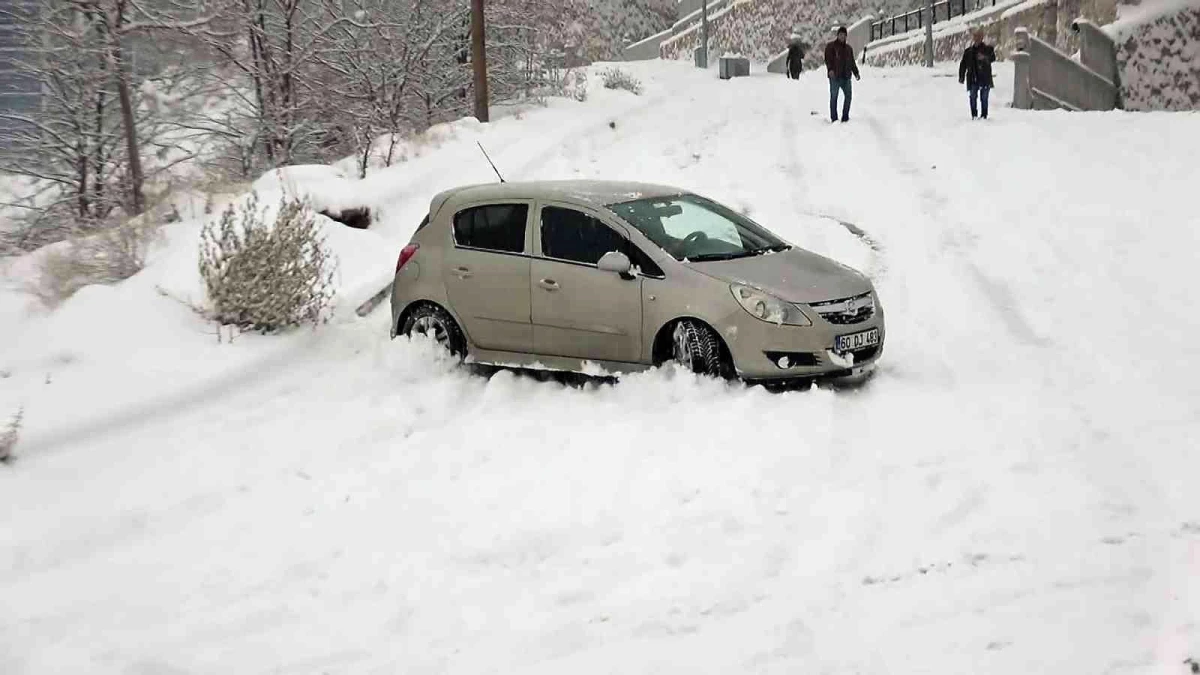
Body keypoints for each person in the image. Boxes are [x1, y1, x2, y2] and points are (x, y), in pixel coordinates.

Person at [824, 26, 861, 123]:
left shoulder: (849, 49)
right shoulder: (831, 46)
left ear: (846, 36)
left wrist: (856, 72)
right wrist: (830, 69)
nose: (842, 37)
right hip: (835, 76)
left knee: (848, 96)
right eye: (840, 35)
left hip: (846, 77)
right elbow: (828, 59)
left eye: (844, 35)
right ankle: (834, 118)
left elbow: (852, 62)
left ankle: (845, 117)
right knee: (834, 97)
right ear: (837, 35)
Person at [959, 29, 996, 119]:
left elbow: (993, 58)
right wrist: (961, 77)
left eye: (979, 36)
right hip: (973, 78)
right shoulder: (968, 51)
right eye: (975, 36)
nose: (977, 38)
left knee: (984, 98)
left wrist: (984, 58)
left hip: (985, 78)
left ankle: (984, 115)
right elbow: (963, 64)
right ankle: (974, 115)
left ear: (982, 37)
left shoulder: (988, 49)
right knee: (972, 97)